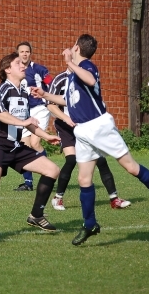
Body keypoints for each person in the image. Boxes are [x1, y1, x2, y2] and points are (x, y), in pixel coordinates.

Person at [31, 34, 149, 246]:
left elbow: (90, 80)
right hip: (82, 131)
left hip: (98, 126)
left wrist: (69, 62)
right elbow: (68, 101)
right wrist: (45, 94)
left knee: (131, 167)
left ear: (76, 48)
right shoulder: (74, 75)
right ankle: (90, 224)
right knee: (84, 180)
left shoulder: (87, 66)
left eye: (72, 47)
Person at [0, 52, 61, 240]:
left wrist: (46, 136)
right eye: (18, 63)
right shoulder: (2, 89)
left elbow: (28, 122)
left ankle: (36, 215)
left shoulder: (24, 93)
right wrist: (23, 123)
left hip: (16, 146)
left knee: (52, 170)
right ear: (7, 69)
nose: (23, 65)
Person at [47, 69, 131, 211]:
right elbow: (50, 104)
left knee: (101, 160)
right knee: (71, 159)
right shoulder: (61, 79)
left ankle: (114, 199)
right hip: (65, 126)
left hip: (84, 125)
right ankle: (58, 198)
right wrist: (66, 118)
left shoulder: (85, 78)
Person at [14, 41, 54, 192]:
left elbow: (51, 83)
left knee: (35, 143)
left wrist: (50, 98)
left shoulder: (39, 69)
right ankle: (28, 183)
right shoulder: (15, 71)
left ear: (31, 53)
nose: (24, 54)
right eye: (21, 51)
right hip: (24, 112)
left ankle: (49, 173)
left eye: (27, 51)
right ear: (17, 54)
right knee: (24, 146)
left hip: (40, 109)